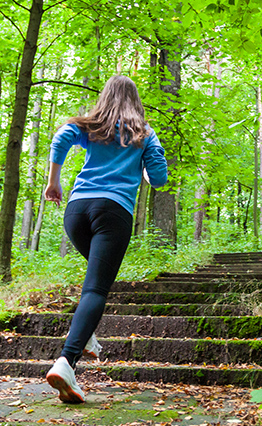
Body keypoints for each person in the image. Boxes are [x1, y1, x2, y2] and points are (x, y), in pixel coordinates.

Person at [43, 75, 168, 404]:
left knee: (95, 282)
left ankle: (86, 336)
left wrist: (53, 182)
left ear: (106, 96)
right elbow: (159, 179)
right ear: (136, 101)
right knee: (96, 288)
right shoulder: (144, 134)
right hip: (112, 214)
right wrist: (141, 168)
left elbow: (60, 138)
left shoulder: (91, 125)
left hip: (77, 212)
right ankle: (67, 361)